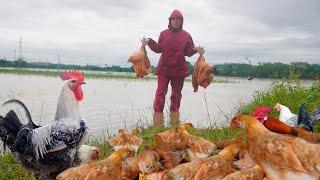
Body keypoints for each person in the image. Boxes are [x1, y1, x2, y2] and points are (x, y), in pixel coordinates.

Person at [141, 9, 204, 126]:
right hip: (164, 68)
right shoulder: (164, 33)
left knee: (176, 95)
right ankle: (157, 122)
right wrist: (149, 42)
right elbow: (159, 48)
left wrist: (195, 50)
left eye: (178, 19)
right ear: (170, 20)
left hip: (179, 70)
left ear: (182, 21)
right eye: (173, 19)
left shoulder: (186, 35)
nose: (176, 21)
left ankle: (174, 123)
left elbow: (188, 52)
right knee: (160, 93)